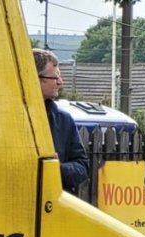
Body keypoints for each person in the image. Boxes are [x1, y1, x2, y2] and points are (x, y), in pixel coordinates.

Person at [33, 48, 89, 195]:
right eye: (55, 77)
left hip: (53, 205)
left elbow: (82, 167)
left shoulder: (64, 120)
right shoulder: (13, 117)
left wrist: (58, 167)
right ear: (36, 78)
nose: (60, 82)